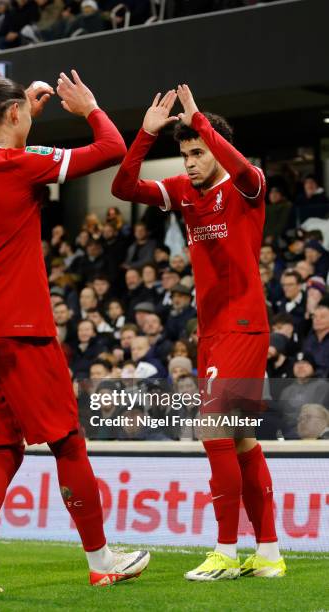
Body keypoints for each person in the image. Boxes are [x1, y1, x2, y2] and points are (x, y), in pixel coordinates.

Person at [0, 72, 149, 593]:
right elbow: (111, 148)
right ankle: (101, 561)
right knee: (68, 443)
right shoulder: (21, 165)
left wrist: (20, 111)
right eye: (25, 112)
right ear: (13, 116)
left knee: (2, 449)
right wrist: (89, 108)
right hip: (20, 331)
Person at [112, 85, 285, 579]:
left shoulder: (246, 186)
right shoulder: (184, 193)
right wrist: (145, 136)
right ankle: (269, 555)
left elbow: (243, 168)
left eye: (197, 152)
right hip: (211, 332)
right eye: (184, 153)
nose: (188, 162)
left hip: (245, 327)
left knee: (214, 434)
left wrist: (202, 123)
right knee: (244, 442)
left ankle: (226, 553)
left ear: (215, 148)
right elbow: (124, 188)